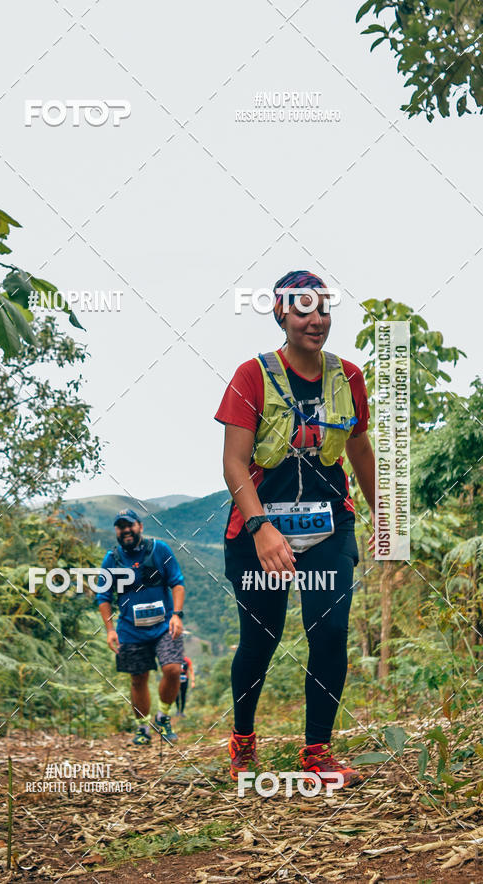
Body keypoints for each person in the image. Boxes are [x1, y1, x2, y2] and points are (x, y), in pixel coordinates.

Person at [214, 270, 376, 785]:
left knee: (328, 634)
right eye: (303, 310)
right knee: (259, 640)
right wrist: (261, 528)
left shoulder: (347, 377)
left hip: (329, 528)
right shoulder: (251, 376)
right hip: (259, 533)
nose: (316, 320)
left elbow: (358, 451)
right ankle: (243, 741)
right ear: (280, 313)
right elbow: (235, 464)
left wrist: (387, 518)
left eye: (324, 309)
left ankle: (317, 752)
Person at [96, 509, 186, 746]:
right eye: (120, 526)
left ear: (140, 526)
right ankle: (142, 728)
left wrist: (177, 615)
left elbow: (177, 582)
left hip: (164, 625)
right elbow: (102, 596)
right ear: (116, 530)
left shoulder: (159, 550)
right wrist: (110, 630)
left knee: (174, 670)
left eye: (130, 525)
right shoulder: (112, 559)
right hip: (130, 630)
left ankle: (163, 717)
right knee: (138, 679)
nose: (126, 530)